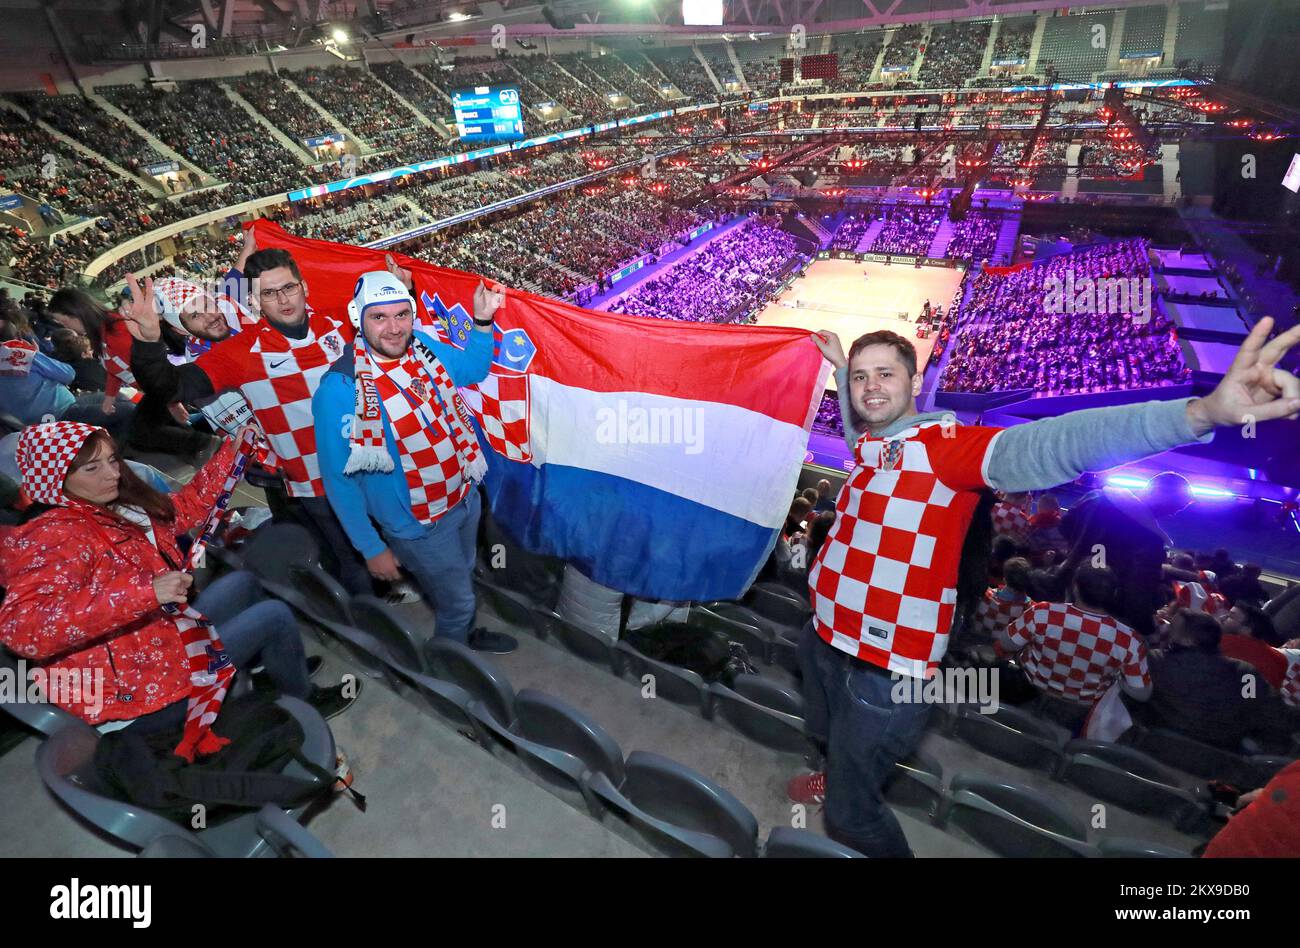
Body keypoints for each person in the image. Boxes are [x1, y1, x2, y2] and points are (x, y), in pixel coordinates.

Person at [788, 317, 1300, 857]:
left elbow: (1054, 442)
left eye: (884, 375)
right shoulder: (875, 444)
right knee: (824, 730)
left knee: (852, 810)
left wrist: (1199, 412)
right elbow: (858, 434)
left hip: (883, 668)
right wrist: (842, 366)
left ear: (916, 383)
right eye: (862, 377)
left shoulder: (947, 449)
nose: (869, 387)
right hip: (823, 636)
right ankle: (834, 768)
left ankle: (846, 790)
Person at [0, 421, 355, 729]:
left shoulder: (111, 503)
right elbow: (23, 628)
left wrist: (231, 455)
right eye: (91, 469)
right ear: (55, 479)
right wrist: (145, 593)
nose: (112, 473)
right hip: (138, 690)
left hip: (158, 639)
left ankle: (268, 669)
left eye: (111, 460)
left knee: (243, 584)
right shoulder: (52, 535)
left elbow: (183, 511)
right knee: (274, 616)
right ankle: (303, 704)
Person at [124, 245, 411, 596]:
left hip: (377, 466)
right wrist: (148, 344)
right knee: (352, 561)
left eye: (289, 287)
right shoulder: (239, 353)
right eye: (270, 293)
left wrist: (400, 291)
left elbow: (395, 338)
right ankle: (375, 626)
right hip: (315, 483)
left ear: (303, 286)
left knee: (393, 536)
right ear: (256, 302)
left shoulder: (342, 322)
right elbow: (171, 386)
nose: (284, 299)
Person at [312, 271, 516, 654]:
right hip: (419, 525)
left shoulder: (422, 344)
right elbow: (340, 482)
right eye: (379, 317)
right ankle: (453, 672)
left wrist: (483, 319)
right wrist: (370, 547)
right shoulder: (338, 392)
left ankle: (465, 636)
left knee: (463, 576)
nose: (393, 329)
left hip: (464, 497)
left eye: (401, 315)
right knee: (459, 603)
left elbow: (473, 369)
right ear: (358, 318)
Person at [997, 565, 1152, 731]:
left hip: (1027, 694)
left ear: (1075, 587)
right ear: (1113, 594)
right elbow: (1142, 693)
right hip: (1078, 716)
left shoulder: (1043, 612)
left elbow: (1006, 643)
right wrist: (1119, 680)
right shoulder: (1128, 640)